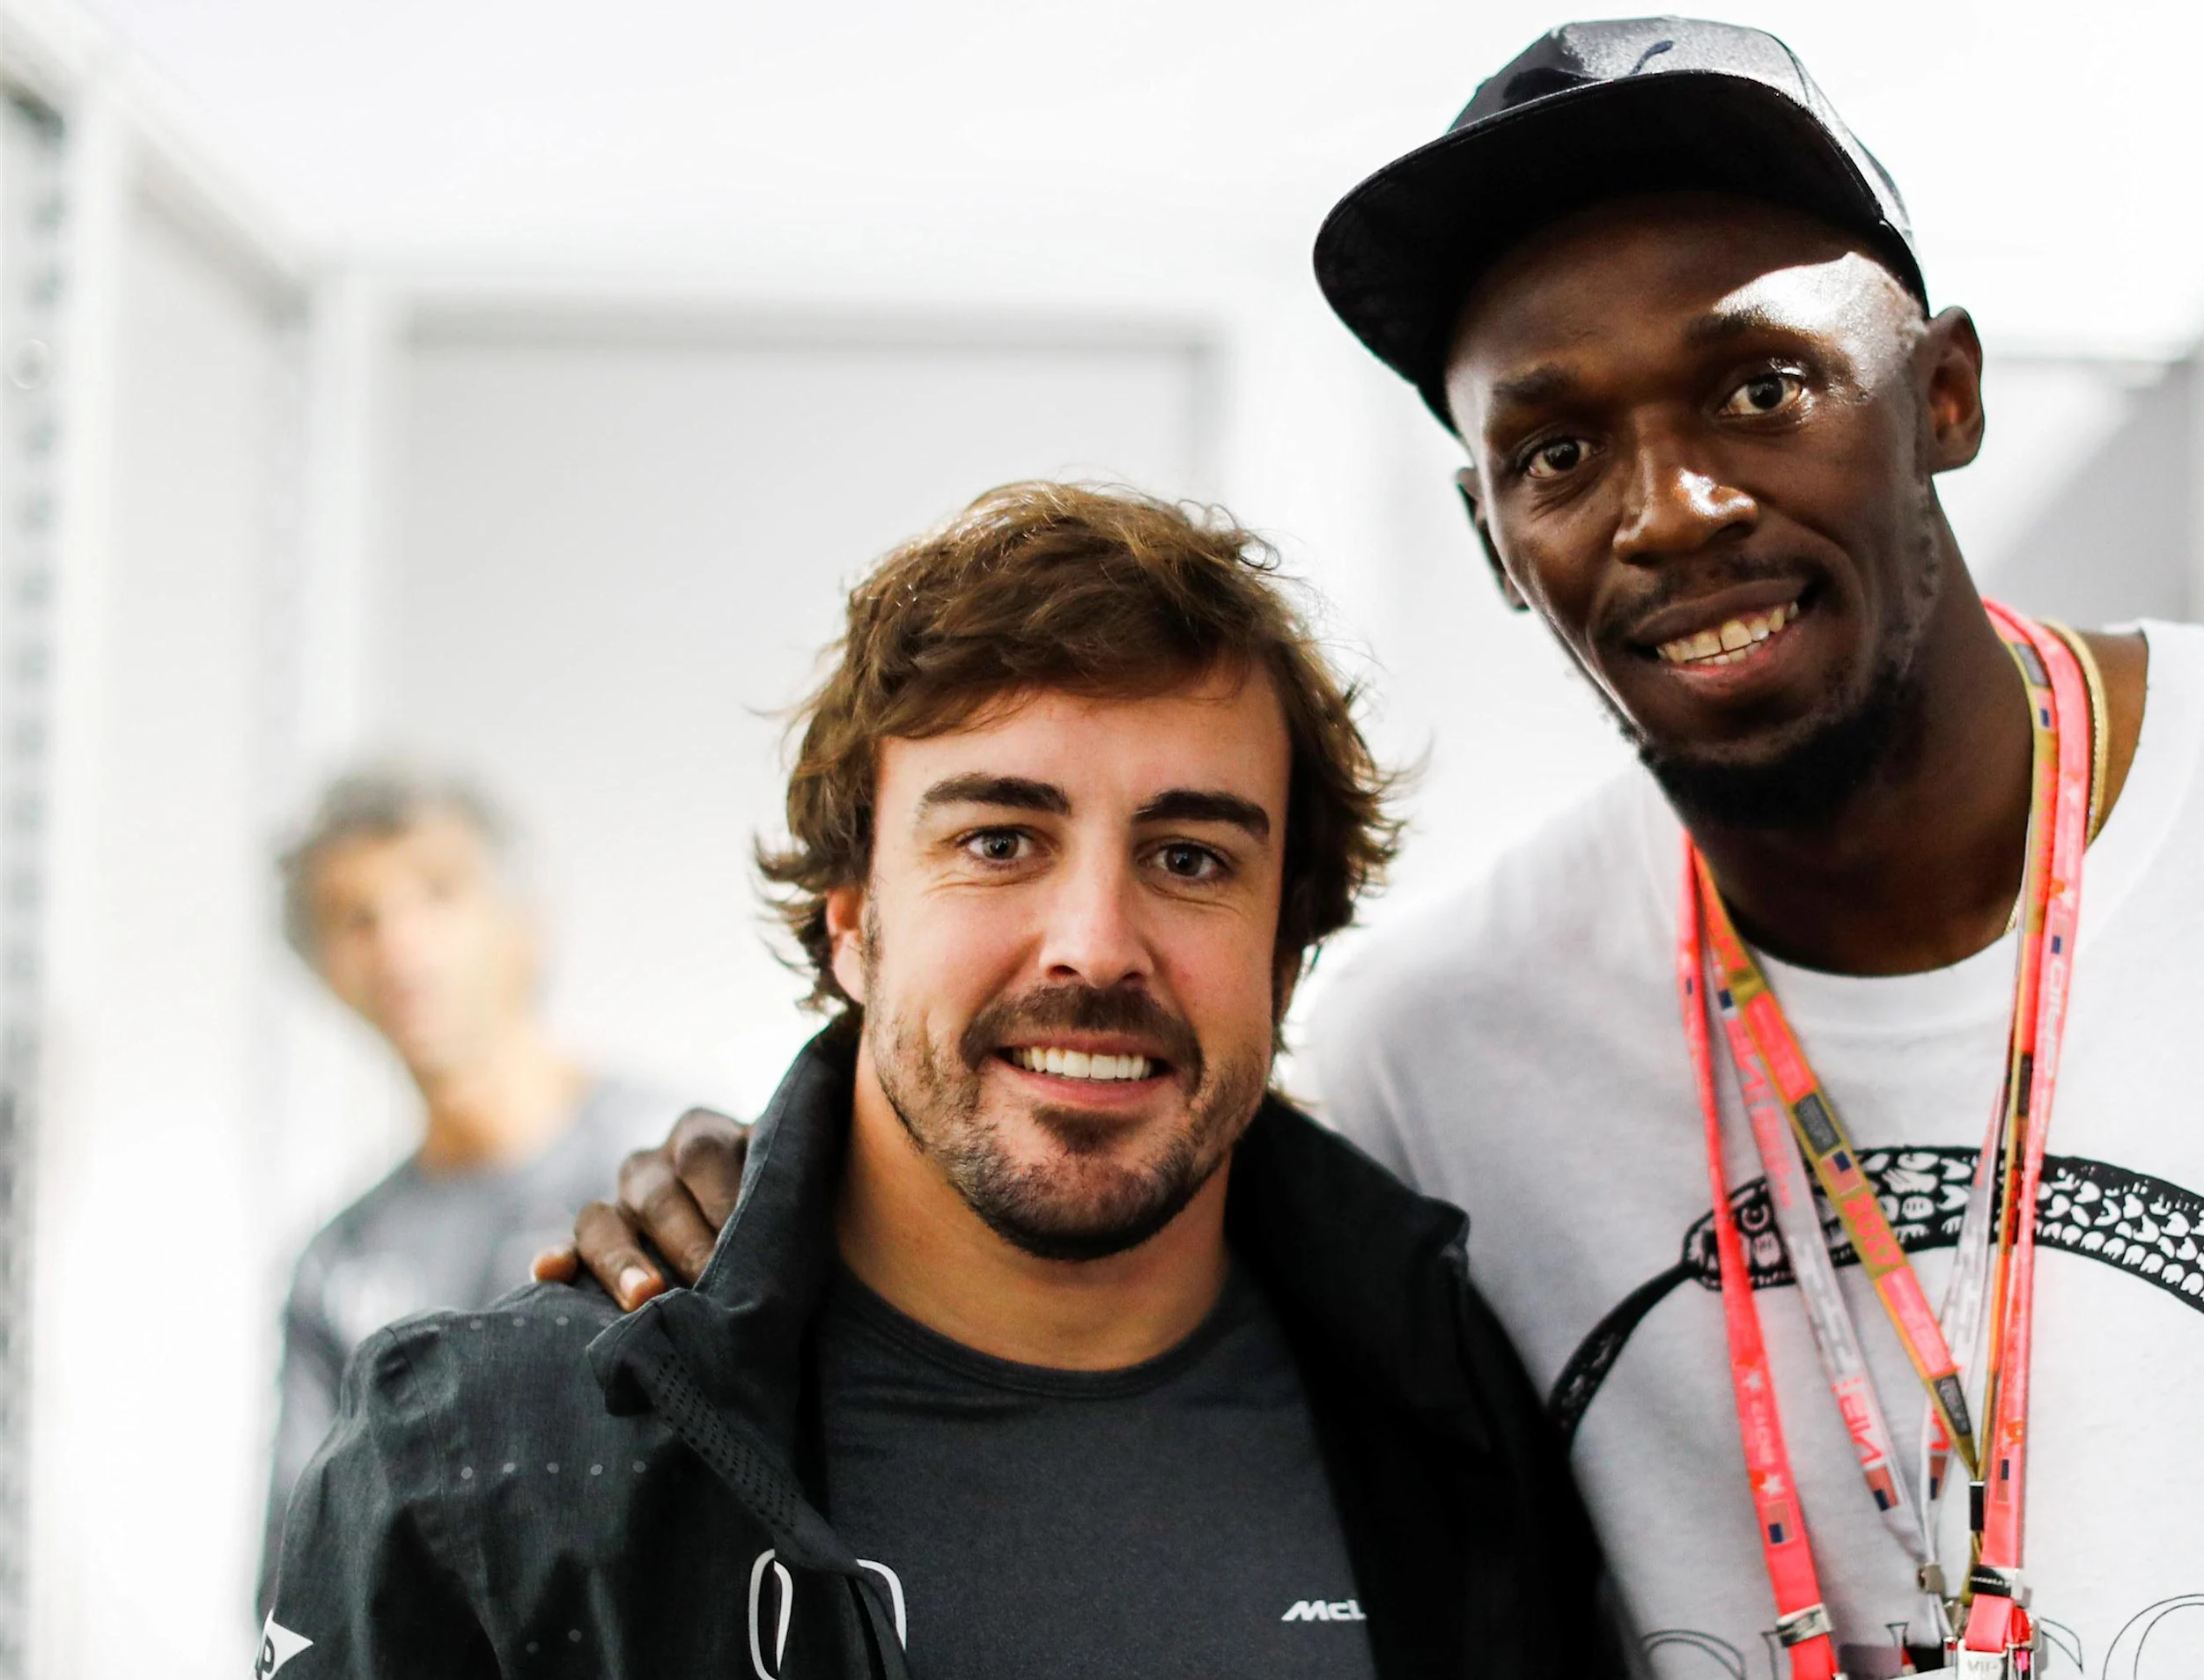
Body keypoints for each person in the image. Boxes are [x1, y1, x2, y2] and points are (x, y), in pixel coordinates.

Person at [559, 20, 2204, 1679]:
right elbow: (1067, 1237)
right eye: (1558, 450)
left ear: (1953, 391)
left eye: (1763, 383)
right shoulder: (1432, 1053)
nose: (1672, 503)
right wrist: (739, 1205)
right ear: (1501, 543)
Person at [266, 484, 1618, 1679]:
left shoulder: (1459, 1415)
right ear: (853, 923)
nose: (1094, 943)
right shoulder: (484, 1460)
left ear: (1285, 956)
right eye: (999, 840)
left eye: (1192, 858)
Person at [261, 768, 689, 1604]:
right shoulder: (339, 1263)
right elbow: (303, 1582)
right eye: (354, 917)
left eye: (437, 893)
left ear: (524, 927)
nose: (397, 943)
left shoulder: (678, 1162)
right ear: (323, 975)